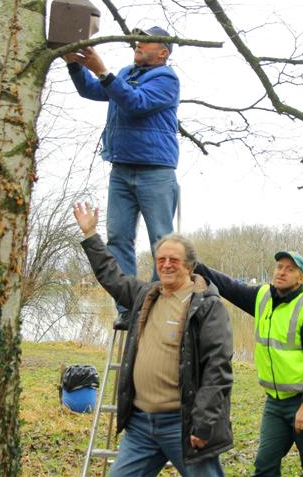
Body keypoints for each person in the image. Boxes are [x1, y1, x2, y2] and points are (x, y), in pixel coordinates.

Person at [73, 202, 232, 477]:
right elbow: (112, 276)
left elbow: (217, 368)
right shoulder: (146, 296)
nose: (166, 265)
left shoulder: (206, 305)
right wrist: (90, 236)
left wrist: (204, 423)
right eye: (161, 260)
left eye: (174, 260)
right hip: (141, 426)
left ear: (190, 265)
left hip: (181, 424)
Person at [64, 26, 180, 328]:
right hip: (121, 169)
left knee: (162, 242)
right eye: (137, 40)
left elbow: (135, 103)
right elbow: (90, 89)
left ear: (163, 52)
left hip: (156, 170)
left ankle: (156, 303)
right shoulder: (128, 73)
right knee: (118, 238)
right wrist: (74, 63)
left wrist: (103, 71)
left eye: (146, 41)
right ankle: (128, 306)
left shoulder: (166, 79)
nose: (137, 43)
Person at [194, 251, 303, 477]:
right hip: (276, 402)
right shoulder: (263, 297)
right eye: (279, 266)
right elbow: (228, 286)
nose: (282, 272)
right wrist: (196, 265)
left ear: (301, 278)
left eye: (290, 269)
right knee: (264, 465)